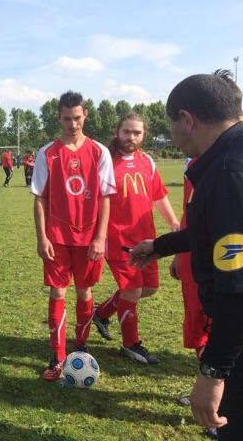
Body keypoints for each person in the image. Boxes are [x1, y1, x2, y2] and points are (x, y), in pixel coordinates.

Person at [130, 74, 243, 440]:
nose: (172, 134)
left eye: (170, 124)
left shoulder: (230, 171)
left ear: (186, 120)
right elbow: (221, 229)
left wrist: (213, 372)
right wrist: (162, 246)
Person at [31, 91, 116, 382]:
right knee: (58, 292)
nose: (73, 124)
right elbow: (39, 198)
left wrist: (100, 238)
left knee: (84, 292)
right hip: (57, 238)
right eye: (67, 119)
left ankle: (80, 347)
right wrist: (42, 237)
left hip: (89, 238)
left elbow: (105, 197)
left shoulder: (99, 152)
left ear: (85, 115)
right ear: (59, 118)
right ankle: (57, 356)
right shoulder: (47, 153)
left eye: (77, 118)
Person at [92, 113, 179, 364]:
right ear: (117, 132)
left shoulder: (147, 161)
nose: (131, 137)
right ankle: (130, 344)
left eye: (137, 132)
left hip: (147, 240)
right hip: (118, 238)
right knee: (132, 290)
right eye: (127, 131)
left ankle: (101, 313)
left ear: (144, 135)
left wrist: (173, 222)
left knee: (149, 288)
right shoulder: (105, 161)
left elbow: (158, 196)